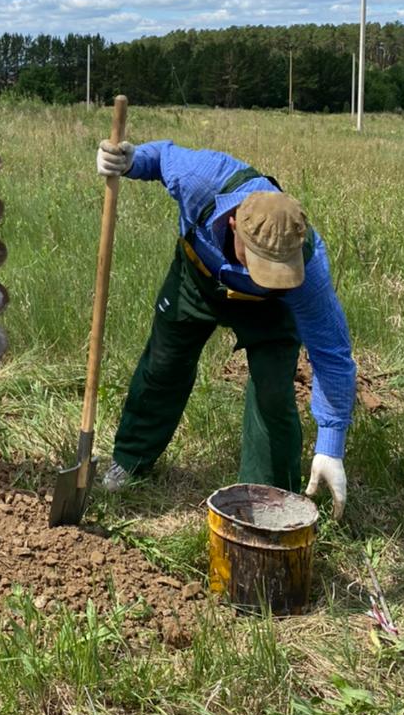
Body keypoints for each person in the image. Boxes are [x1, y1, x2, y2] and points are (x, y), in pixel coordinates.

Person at [96, 137, 355, 518]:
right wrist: (130, 161)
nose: (267, 276)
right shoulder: (201, 177)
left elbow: (332, 356)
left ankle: (269, 502)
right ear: (233, 225)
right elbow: (161, 158)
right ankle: (132, 459)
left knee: (272, 391)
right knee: (163, 365)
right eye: (260, 265)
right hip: (196, 279)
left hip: (271, 311)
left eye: (278, 269)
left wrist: (330, 447)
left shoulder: (306, 270)